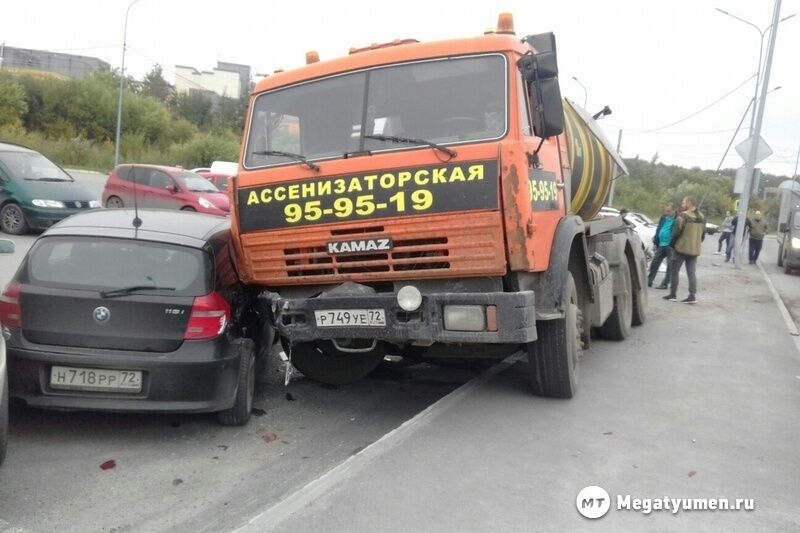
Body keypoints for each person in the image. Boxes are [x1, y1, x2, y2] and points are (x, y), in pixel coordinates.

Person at [664, 196, 705, 304]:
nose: (682, 205)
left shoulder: (683, 216)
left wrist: (672, 245)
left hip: (681, 248)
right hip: (694, 250)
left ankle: (673, 294)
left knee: (674, 271)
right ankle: (692, 296)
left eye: (683, 203)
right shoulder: (702, 217)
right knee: (691, 272)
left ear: (689, 203)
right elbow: (703, 235)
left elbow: (676, 233)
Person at [648, 202, 676, 289]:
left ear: (674, 210)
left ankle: (665, 283)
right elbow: (659, 228)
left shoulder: (678, 219)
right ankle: (649, 281)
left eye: (669, 211)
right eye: (666, 211)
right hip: (661, 244)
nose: (667, 213)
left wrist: (674, 243)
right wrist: (656, 242)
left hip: (671, 245)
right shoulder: (663, 217)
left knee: (670, 265)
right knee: (655, 262)